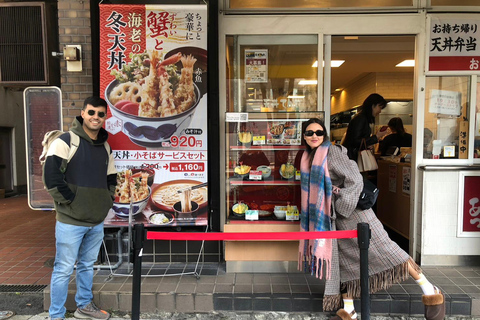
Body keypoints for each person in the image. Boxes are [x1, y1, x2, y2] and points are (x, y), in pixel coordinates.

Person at [299, 118, 445, 320]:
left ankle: (430, 289)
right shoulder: (308, 157)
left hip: (355, 213)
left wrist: (341, 203)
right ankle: (349, 309)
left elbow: (354, 178)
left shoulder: (332, 152)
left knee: (387, 249)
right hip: (335, 218)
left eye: (318, 132)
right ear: (303, 136)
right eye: (309, 133)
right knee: (343, 262)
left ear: (324, 134)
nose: (314, 136)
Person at [43, 96, 117, 320]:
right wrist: (71, 202)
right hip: (70, 221)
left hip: (95, 221)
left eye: (100, 114)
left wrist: (107, 200)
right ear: (83, 113)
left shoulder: (104, 146)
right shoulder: (65, 141)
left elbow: (111, 178)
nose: (96, 117)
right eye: (92, 112)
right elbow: (52, 179)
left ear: (105, 117)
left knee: (87, 266)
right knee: (63, 269)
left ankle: (84, 306)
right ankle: (56, 315)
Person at [341, 93, 389, 161]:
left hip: (352, 157)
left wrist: (367, 145)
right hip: (352, 158)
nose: (380, 111)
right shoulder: (361, 119)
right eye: (380, 107)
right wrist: (376, 137)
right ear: (373, 105)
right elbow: (355, 141)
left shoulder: (361, 118)